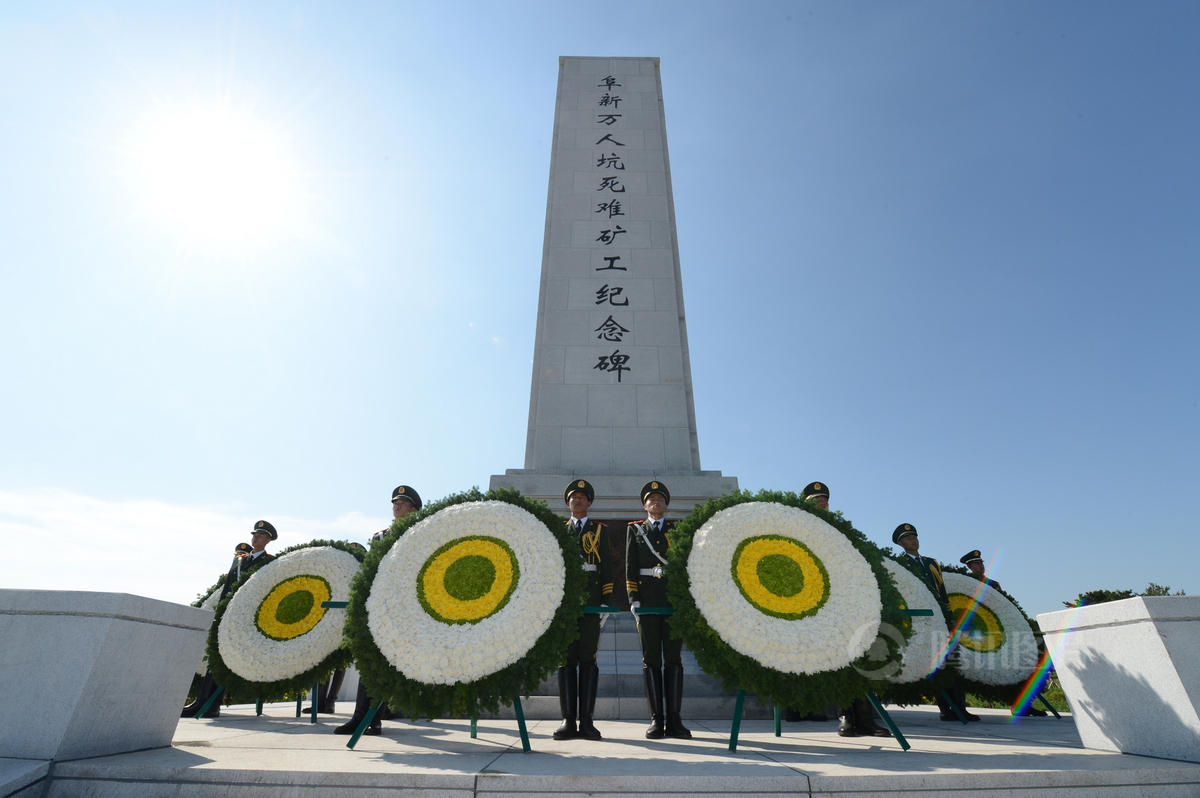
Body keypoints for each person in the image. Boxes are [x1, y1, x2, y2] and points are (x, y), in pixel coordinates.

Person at [335, 485, 422, 735]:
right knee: (372, 662)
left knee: (394, 665)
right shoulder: (380, 538)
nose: (397, 506)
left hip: (409, 609)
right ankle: (363, 718)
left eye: (403, 503)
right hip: (381, 610)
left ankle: (378, 715)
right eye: (395, 502)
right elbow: (368, 576)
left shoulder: (422, 534)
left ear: (413, 509)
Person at [182, 520, 277, 718]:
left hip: (245, 617)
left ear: (268, 540)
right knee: (215, 658)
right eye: (255, 534)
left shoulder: (269, 562)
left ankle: (212, 705)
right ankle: (201, 702)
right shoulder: (240, 560)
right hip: (227, 614)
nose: (256, 538)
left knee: (225, 660)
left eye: (260, 536)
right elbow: (228, 587)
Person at [893, 523, 979, 722]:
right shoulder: (901, 563)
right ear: (900, 543)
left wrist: (949, 616)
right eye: (907, 538)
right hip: (920, 618)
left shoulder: (932, 563)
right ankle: (945, 709)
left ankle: (960, 707)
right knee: (935, 665)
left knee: (952, 662)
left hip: (940, 617)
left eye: (914, 537)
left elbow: (941, 592)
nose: (912, 541)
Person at [626, 480, 691, 739]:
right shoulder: (635, 530)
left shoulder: (677, 530)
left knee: (673, 659)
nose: (656, 503)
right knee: (651, 659)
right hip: (648, 603)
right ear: (645, 505)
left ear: (666, 505)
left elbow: (685, 566)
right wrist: (634, 597)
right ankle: (657, 719)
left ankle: (675, 719)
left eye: (660, 500)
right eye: (651, 500)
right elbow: (631, 565)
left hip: (671, 603)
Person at [553, 479, 613, 740]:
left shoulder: (600, 530)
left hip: (590, 601)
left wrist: (605, 601)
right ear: (567, 503)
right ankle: (568, 720)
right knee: (566, 661)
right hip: (566, 604)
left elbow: (607, 566)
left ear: (589, 502)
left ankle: (587, 720)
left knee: (588, 659)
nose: (577, 501)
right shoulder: (558, 530)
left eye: (581, 497)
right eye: (573, 497)